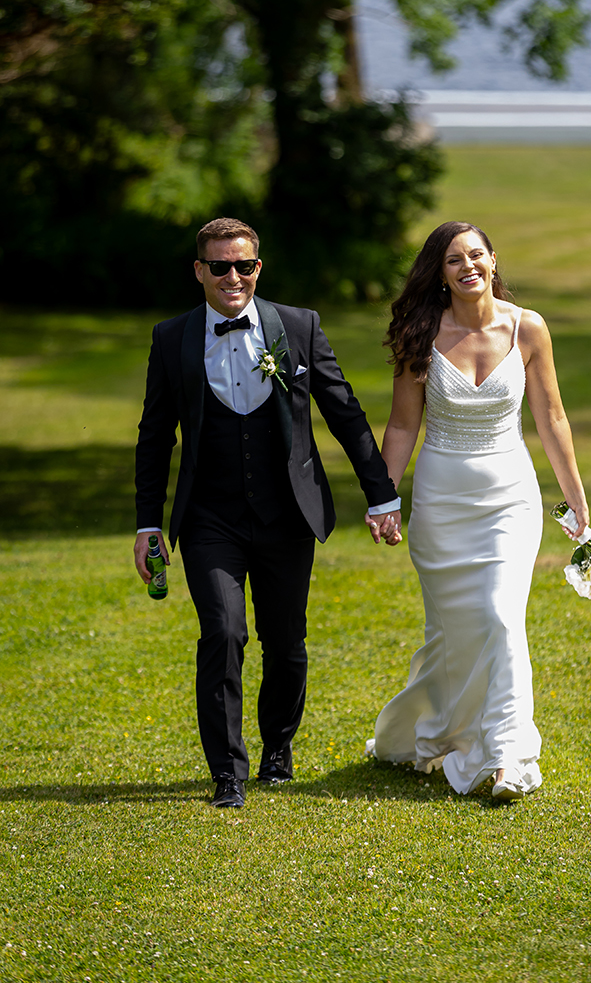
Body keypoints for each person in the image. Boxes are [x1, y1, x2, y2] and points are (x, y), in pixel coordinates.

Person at [134, 217, 400, 809]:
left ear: (259, 266)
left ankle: (278, 748)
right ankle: (227, 772)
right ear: (199, 271)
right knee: (223, 633)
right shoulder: (171, 337)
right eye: (221, 266)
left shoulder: (298, 327)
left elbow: (344, 412)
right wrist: (147, 524)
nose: (234, 276)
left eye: (245, 265)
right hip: (209, 519)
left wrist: (380, 493)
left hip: (286, 515)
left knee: (286, 641)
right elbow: (155, 438)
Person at [368, 221, 589, 800]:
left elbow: (553, 418)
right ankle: (436, 731)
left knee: (499, 616)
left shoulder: (528, 328)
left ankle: (509, 759)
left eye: (475, 255)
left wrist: (575, 496)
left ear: (493, 260)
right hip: (441, 505)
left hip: (511, 502)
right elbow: (401, 424)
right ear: (439, 274)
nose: (466, 266)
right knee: (457, 631)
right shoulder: (421, 333)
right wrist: (384, 496)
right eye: (452, 260)